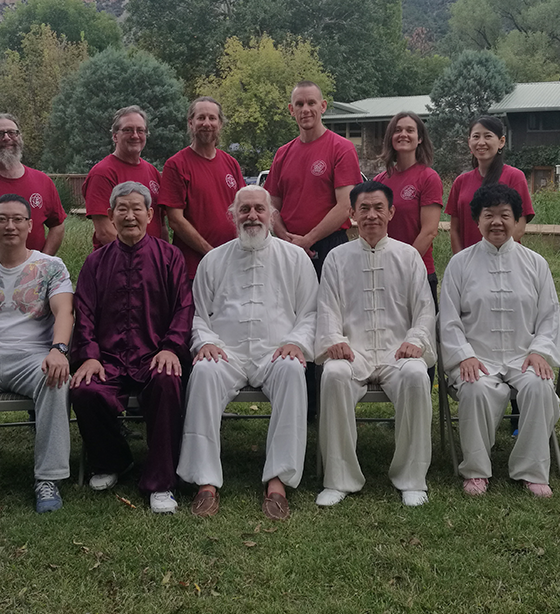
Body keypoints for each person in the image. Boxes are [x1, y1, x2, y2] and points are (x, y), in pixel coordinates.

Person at [177, 186, 318, 520]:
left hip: (276, 350)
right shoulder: (213, 260)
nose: (252, 216)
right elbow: (196, 313)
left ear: (271, 215)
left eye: (259, 209)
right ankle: (206, 483)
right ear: (233, 216)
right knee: (203, 373)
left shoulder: (295, 258)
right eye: (244, 210)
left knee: (292, 371)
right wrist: (205, 343)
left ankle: (277, 482)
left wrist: (297, 342)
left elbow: (311, 312)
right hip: (226, 352)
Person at [70, 182, 194, 513]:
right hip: (108, 359)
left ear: (150, 214)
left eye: (137, 208)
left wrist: (170, 348)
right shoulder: (95, 263)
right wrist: (90, 356)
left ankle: (161, 481)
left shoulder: (169, 257)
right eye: (121, 209)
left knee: (168, 383)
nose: (129, 216)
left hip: (154, 355)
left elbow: (184, 308)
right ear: (110, 215)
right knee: (84, 389)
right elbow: (82, 312)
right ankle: (114, 460)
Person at [315, 181, 436, 508]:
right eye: (363, 209)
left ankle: (411, 478)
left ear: (391, 212)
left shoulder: (408, 256)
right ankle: (339, 478)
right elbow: (326, 307)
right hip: (353, 351)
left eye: (378, 208)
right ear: (352, 214)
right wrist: (334, 341)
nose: (371, 215)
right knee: (334, 374)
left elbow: (425, 309)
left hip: (398, 350)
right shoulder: (336, 258)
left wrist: (415, 340)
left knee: (416, 375)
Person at [440, 184, 560, 497]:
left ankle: (531, 470)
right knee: (475, 388)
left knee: (540, 387)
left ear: (517, 220)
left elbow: (550, 315)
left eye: (504, 215)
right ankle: (477, 471)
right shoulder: (460, 264)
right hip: (477, 357)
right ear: (477, 221)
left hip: (524, 356)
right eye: (488, 215)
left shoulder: (536, 264)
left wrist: (540, 351)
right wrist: (464, 355)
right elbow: (448, 319)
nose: (497, 222)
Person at [0, 194, 73, 513]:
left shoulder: (51, 266)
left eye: (18, 219)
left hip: (33, 357)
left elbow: (65, 311)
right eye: (3, 219)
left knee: (56, 378)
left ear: (30, 225)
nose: (10, 225)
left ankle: (48, 479)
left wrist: (59, 349)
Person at [264, 81, 363, 278]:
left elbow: (344, 206)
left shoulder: (341, 148)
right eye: (299, 104)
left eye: (311, 103)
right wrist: (285, 238)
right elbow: (270, 205)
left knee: (330, 308)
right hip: (288, 247)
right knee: (290, 308)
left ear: (323, 106)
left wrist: (308, 239)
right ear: (292, 110)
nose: (306, 109)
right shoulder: (283, 153)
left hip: (329, 246)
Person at [0, 113, 66, 261]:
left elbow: (57, 225)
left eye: (12, 132)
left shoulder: (43, 181)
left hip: (34, 276)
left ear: (20, 137)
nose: (6, 138)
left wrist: (42, 263)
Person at [160, 97, 245, 279]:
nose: (207, 123)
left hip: (233, 265)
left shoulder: (231, 164)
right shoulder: (176, 165)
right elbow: (175, 220)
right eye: (201, 118)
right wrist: (212, 254)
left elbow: (243, 210)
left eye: (212, 118)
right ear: (191, 123)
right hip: (194, 269)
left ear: (220, 123)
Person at [374, 112, 442, 306]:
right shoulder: (380, 181)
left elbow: (429, 232)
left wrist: (402, 266)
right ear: (390, 138)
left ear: (419, 138)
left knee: (421, 334)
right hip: (383, 272)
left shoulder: (428, 178)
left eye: (410, 130)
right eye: (397, 130)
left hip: (418, 271)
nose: (403, 134)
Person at [446, 115, 534, 255]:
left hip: (505, 260)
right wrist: (460, 261)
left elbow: (520, 227)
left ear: (501, 141)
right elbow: (455, 229)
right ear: (469, 142)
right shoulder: (461, 181)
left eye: (488, 136)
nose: (481, 142)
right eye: (476, 136)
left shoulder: (515, 177)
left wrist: (492, 256)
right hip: (469, 262)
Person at [82, 106, 166, 249]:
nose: (135, 135)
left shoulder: (152, 172)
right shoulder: (102, 173)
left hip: (153, 263)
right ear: (115, 136)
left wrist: (163, 257)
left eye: (140, 130)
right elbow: (105, 232)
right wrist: (139, 257)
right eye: (128, 130)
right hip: (118, 263)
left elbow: (161, 225)